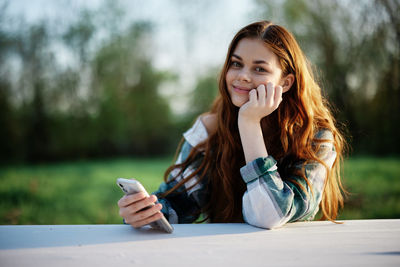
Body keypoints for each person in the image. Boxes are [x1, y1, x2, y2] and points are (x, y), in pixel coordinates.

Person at [118, 20, 346, 229]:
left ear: (285, 83)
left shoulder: (315, 137)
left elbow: (270, 216)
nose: (243, 76)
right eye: (236, 64)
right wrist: (145, 212)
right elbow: (178, 203)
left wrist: (249, 124)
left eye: (259, 68)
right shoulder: (210, 130)